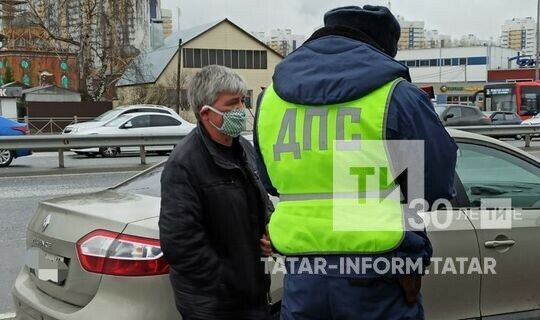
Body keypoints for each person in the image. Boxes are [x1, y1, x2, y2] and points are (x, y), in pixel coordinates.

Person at [255, 5, 457, 320]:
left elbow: (271, 182)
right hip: (380, 277)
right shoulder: (397, 96)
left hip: (302, 277)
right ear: (381, 47)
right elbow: (431, 187)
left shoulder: (270, 101)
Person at [159, 65, 273, 320]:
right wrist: (229, 280)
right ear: (206, 112)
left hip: (253, 293)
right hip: (214, 306)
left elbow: (262, 200)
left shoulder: (244, 148)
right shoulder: (184, 163)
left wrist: (269, 231)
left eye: (243, 101)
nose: (241, 110)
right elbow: (180, 245)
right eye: (232, 103)